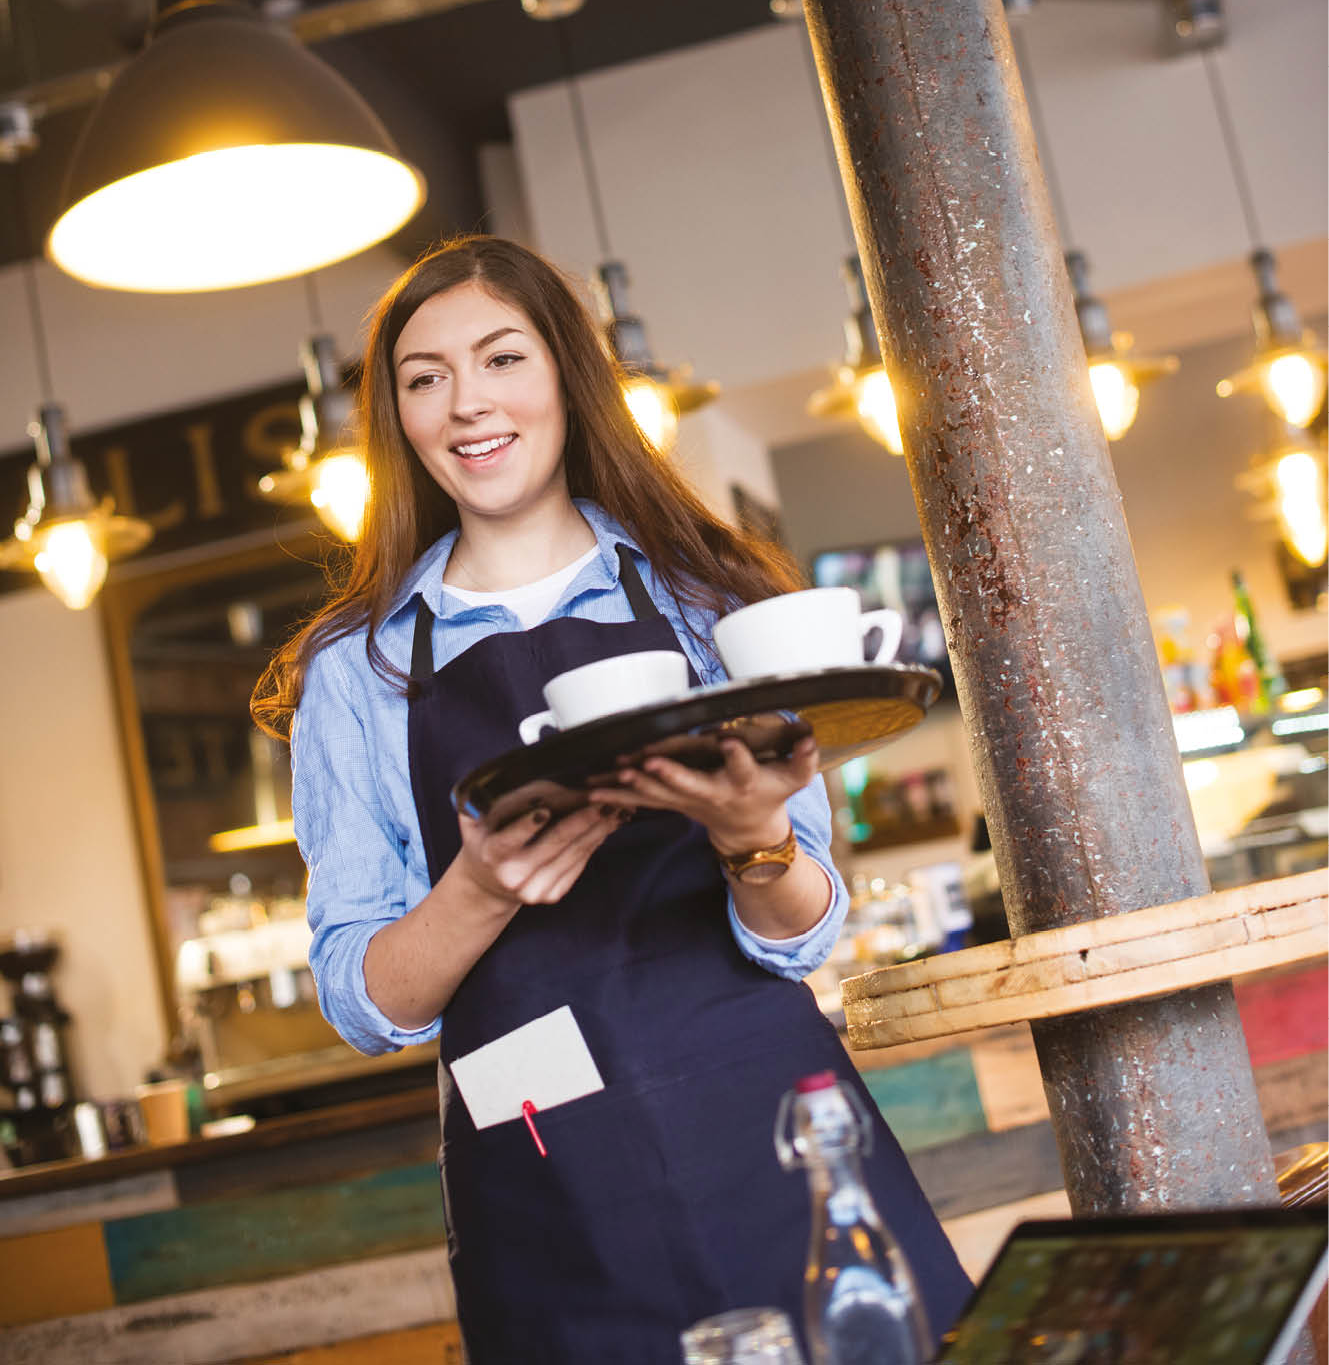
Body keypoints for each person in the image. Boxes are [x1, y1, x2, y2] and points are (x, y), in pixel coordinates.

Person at [254, 235, 971, 1363]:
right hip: (550, 1178)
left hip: (770, 1133)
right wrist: (480, 889)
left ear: (565, 377)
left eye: (501, 359)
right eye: (424, 377)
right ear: (397, 416)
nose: (466, 404)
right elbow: (362, 997)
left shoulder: (705, 596)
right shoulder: (359, 666)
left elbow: (805, 930)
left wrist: (754, 837)